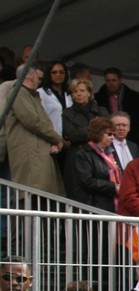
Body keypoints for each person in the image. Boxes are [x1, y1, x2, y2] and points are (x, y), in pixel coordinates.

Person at [4, 62, 65, 196]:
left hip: (38, 153)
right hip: (30, 155)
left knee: (44, 197)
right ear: (30, 76)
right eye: (39, 78)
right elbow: (32, 120)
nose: (40, 81)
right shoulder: (19, 92)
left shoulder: (31, 94)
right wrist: (56, 138)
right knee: (34, 197)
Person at [70, 117, 121, 211]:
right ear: (98, 133)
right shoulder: (83, 154)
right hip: (93, 206)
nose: (113, 137)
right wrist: (114, 187)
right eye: (109, 134)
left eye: (113, 134)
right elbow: (87, 181)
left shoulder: (110, 153)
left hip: (110, 204)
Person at [94, 67, 139, 146]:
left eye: (114, 80)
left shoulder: (134, 97)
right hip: (107, 139)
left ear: (120, 80)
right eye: (108, 81)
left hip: (130, 138)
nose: (111, 84)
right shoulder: (98, 98)